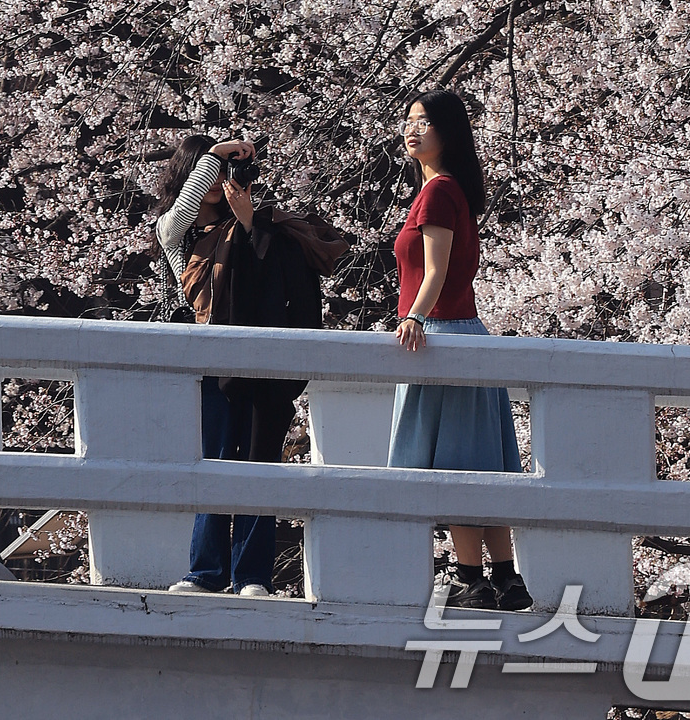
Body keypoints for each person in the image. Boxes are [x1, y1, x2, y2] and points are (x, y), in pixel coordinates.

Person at [155, 132, 348, 599]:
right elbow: (180, 213)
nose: (220, 181)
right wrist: (217, 154)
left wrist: (247, 225)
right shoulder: (177, 233)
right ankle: (205, 572)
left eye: (225, 173)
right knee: (217, 465)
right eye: (211, 172)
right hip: (211, 368)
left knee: (261, 465)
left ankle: (253, 575)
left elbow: (267, 290)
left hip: (265, 367)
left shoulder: (258, 226)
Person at [389, 89, 533, 611]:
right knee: (482, 459)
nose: (412, 130)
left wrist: (413, 316)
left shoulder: (438, 193)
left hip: (443, 334)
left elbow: (436, 270)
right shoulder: (447, 191)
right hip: (464, 330)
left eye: (424, 122)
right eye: (408, 121)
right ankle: (507, 577)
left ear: (448, 132)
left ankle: (471, 577)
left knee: (455, 460)